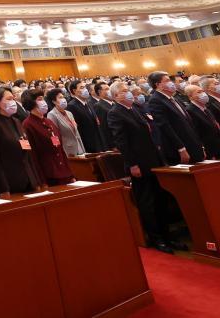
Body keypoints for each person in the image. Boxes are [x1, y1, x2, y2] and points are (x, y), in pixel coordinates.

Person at [107, 82, 176, 253]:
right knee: (147, 202)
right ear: (116, 96)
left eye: (128, 90)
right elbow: (122, 142)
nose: (129, 93)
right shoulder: (115, 113)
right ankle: (156, 238)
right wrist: (132, 164)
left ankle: (167, 236)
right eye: (124, 91)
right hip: (139, 164)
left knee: (160, 199)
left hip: (154, 161)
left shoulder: (136, 108)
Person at [0, 88, 45, 195]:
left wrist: (36, 181)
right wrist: (3, 188)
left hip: (29, 180)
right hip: (11, 182)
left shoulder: (16, 121)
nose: (13, 102)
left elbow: (27, 153)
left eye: (13, 99)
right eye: (9, 99)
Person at [147, 71, 204, 164]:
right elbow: (165, 127)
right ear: (158, 84)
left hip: (192, 144)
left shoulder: (173, 98)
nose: (171, 83)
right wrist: (181, 148)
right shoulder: (155, 100)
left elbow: (187, 122)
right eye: (167, 81)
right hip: (180, 149)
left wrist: (200, 146)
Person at [21, 90, 75, 185]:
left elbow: (60, 148)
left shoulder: (48, 122)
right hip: (48, 175)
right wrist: (40, 181)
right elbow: (32, 155)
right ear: (31, 103)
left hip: (63, 171)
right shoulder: (27, 124)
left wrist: (71, 174)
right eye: (39, 99)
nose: (43, 102)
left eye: (43, 99)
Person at [185, 85, 220, 159]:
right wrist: (208, 154)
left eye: (203, 91)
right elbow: (198, 135)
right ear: (190, 96)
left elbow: (218, 130)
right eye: (199, 92)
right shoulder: (190, 111)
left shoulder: (206, 109)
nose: (203, 94)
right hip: (210, 153)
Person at [66, 80, 106, 153]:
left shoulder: (87, 103)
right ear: (74, 91)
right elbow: (78, 129)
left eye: (84, 87)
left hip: (98, 143)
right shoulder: (71, 106)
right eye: (81, 87)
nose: (85, 89)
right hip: (87, 145)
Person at [45, 88, 86, 157]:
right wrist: (58, 151)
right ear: (54, 101)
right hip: (66, 151)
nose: (63, 99)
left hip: (79, 148)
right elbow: (53, 135)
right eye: (60, 97)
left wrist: (82, 148)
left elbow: (76, 132)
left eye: (63, 97)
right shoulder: (52, 115)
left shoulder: (69, 113)